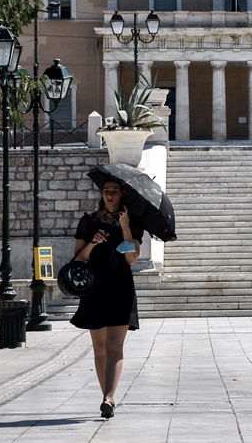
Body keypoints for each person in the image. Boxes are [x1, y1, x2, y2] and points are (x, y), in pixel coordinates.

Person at [70, 178, 143, 419]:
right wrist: (92, 243)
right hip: (95, 288)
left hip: (121, 287)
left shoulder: (133, 221)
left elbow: (132, 258)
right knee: (100, 348)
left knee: (115, 345)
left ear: (122, 193)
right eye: (106, 191)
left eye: (114, 191)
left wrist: (124, 226)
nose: (109, 195)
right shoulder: (88, 222)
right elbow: (78, 260)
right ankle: (106, 398)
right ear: (102, 193)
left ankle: (110, 397)